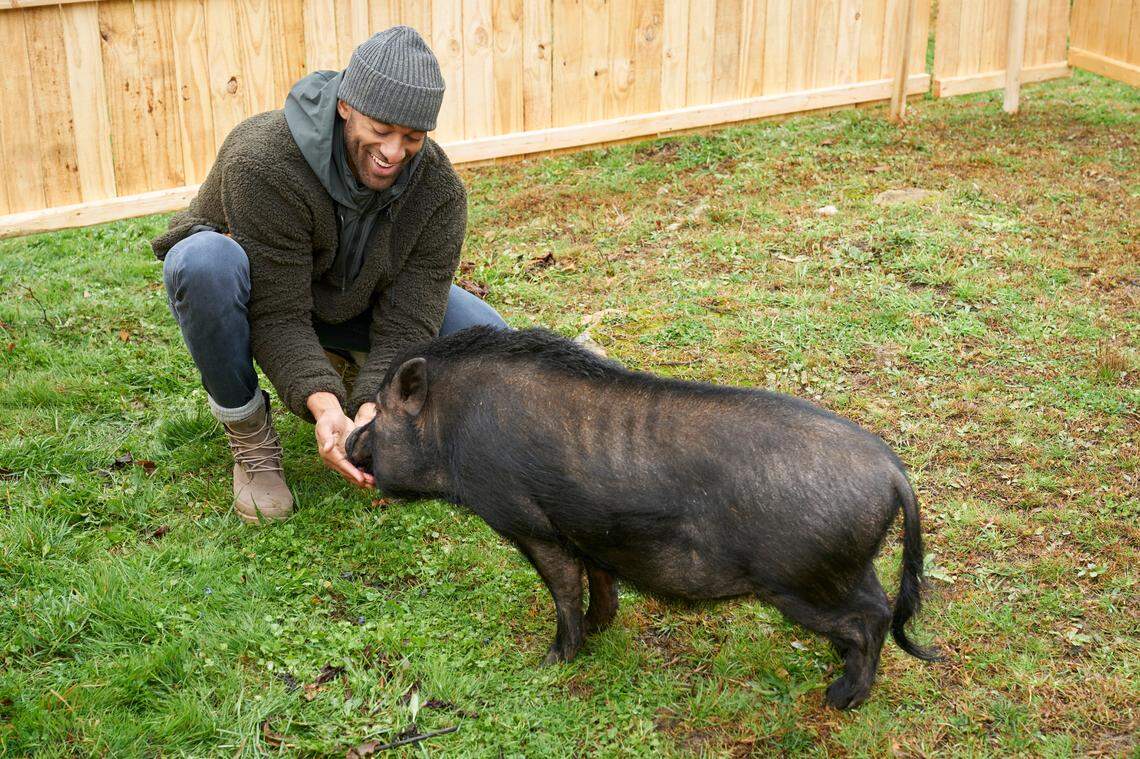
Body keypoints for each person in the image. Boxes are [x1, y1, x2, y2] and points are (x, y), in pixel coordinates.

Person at [151, 26, 506, 524]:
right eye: (381, 129)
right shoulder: (264, 161)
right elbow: (277, 313)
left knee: (491, 341)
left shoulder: (439, 192)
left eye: (412, 137)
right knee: (204, 263)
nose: (394, 152)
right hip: (256, 296)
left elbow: (409, 322)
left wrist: (374, 407)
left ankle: (353, 363)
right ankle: (250, 437)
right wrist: (323, 406)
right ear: (345, 106)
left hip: (357, 300)